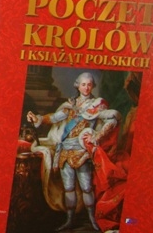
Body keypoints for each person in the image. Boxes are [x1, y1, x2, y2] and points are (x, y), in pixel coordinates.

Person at [27, 72, 120, 231]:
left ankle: (92, 220)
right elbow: (54, 118)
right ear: (78, 86)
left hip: (82, 152)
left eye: (89, 84)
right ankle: (69, 220)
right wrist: (39, 119)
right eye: (83, 84)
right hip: (64, 151)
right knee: (68, 188)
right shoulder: (70, 104)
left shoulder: (96, 105)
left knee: (86, 188)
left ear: (92, 86)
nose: (86, 87)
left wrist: (97, 135)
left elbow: (113, 117)